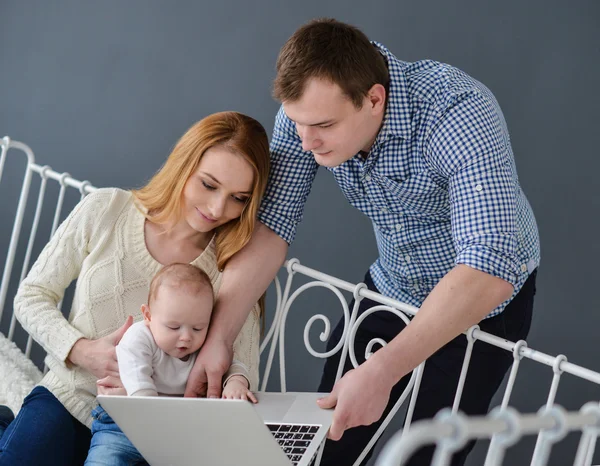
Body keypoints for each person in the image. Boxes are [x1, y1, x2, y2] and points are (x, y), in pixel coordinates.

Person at [187, 18, 540, 466]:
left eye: (323, 126)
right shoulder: (307, 116)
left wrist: (383, 371)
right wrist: (220, 335)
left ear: (374, 99)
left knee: (428, 456)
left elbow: (490, 263)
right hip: (392, 285)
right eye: (297, 123)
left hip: (483, 303)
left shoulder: (458, 112)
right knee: (325, 448)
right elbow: (273, 226)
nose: (306, 140)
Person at [0, 110, 270, 466]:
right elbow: (31, 296)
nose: (218, 207)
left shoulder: (235, 269)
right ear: (182, 165)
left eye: (239, 198)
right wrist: (83, 351)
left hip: (150, 432)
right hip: (71, 398)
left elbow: (240, 372)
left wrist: (148, 399)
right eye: (208, 184)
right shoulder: (106, 209)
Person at [85, 263, 257, 465]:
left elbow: (228, 365)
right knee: (106, 460)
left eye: (198, 327)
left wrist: (236, 381)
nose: (186, 337)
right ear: (148, 316)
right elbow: (142, 394)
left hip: (180, 430)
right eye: (173, 327)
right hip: (124, 426)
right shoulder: (138, 339)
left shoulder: (203, 344)